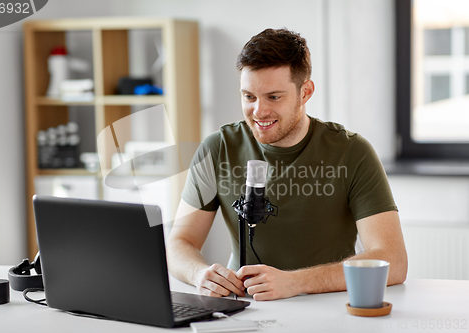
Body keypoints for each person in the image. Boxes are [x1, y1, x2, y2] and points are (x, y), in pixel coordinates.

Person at [167, 28, 408, 301]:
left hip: (324, 307)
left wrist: (296, 282)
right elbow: (179, 243)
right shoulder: (218, 147)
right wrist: (199, 274)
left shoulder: (351, 152)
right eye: (249, 97)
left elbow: (393, 261)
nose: (259, 111)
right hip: (243, 308)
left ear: (305, 92)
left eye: (273, 97)